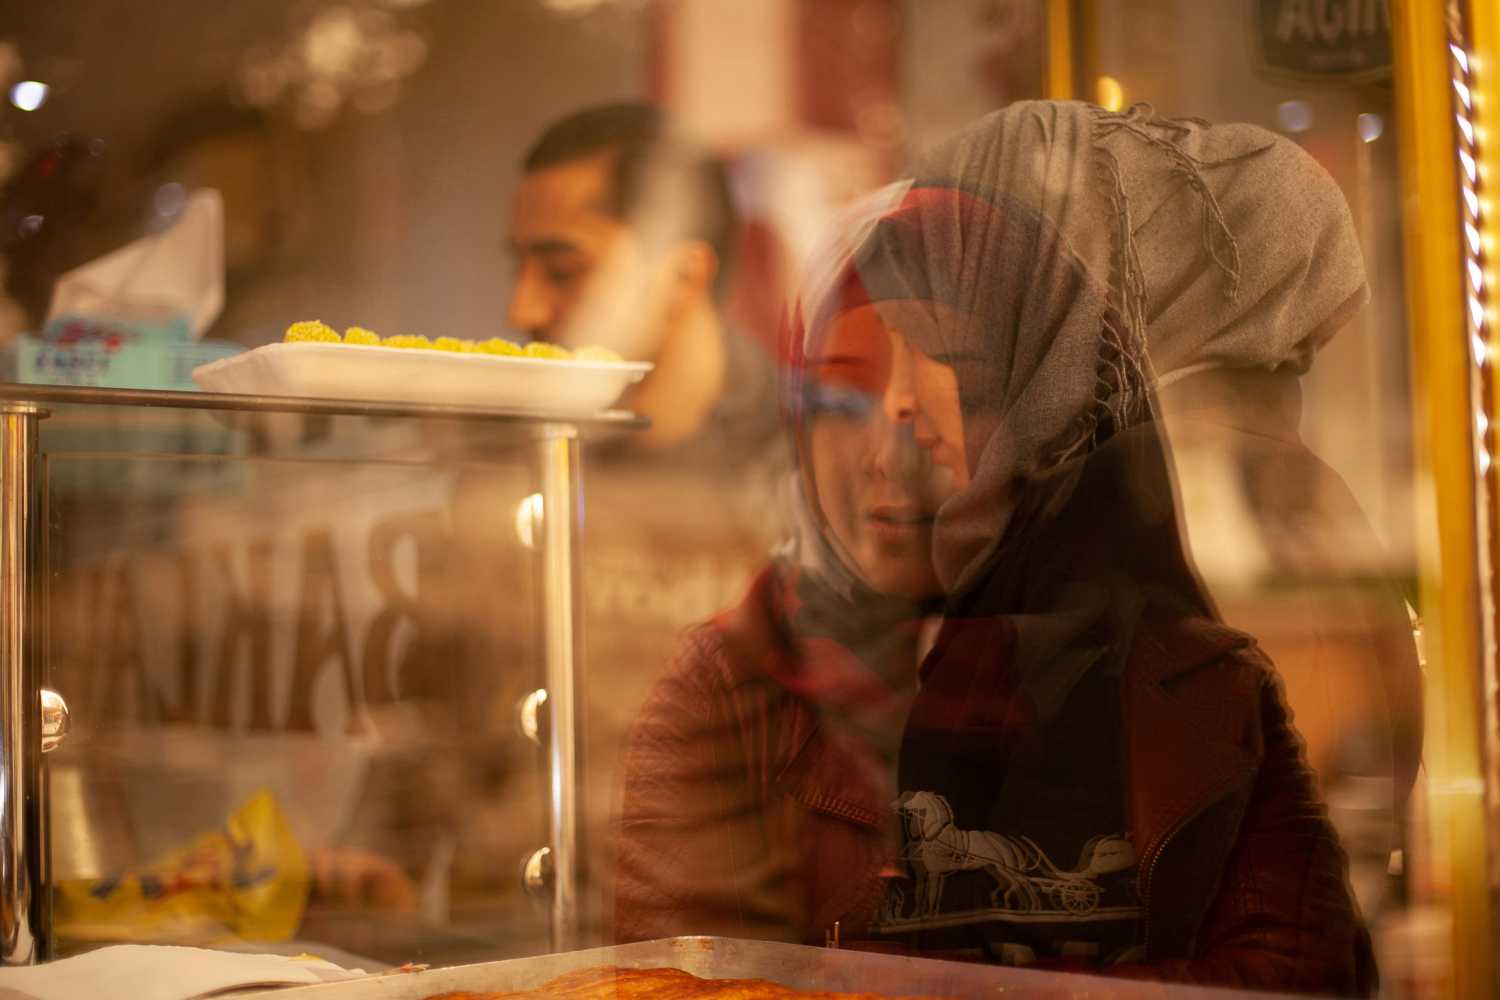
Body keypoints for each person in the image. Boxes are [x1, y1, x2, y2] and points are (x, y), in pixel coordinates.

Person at [616, 101, 1377, 995]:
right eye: (837, 402)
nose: (890, 443)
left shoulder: (1201, 678)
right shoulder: (739, 685)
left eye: (966, 380)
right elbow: (679, 983)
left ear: (1042, 410)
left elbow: (1304, 974)